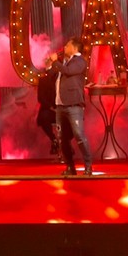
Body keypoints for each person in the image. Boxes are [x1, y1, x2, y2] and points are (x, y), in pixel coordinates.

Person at [45, 37, 94, 176]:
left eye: (67, 46)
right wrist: (49, 65)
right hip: (60, 106)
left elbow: (68, 71)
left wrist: (55, 62)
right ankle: (70, 167)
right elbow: (51, 76)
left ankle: (88, 165)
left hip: (73, 106)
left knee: (79, 135)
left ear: (74, 48)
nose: (64, 48)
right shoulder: (64, 63)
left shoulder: (80, 61)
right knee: (62, 138)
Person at [36, 73, 60, 159]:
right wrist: (51, 107)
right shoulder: (44, 80)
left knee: (71, 119)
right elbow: (41, 98)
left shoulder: (66, 79)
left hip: (64, 108)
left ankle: (66, 143)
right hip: (49, 108)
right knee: (43, 117)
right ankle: (53, 139)